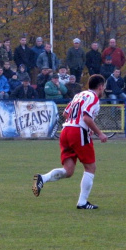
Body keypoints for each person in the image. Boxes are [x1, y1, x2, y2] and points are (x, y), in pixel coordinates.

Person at [32, 74, 108, 209]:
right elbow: (86, 118)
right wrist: (99, 133)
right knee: (90, 167)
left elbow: (66, 113)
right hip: (78, 132)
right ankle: (82, 202)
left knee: (68, 171)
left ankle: (42, 178)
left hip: (66, 131)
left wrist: (77, 124)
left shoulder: (79, 95)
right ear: (101, 87)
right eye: (104, 87)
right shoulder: (93, 97)